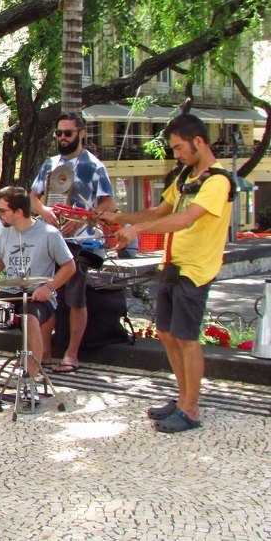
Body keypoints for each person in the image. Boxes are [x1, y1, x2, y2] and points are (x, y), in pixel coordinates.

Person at [100, 113, 232, 434]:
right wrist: (121, 219)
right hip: (171, 266)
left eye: (178, 147)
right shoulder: (187, 176)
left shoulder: (217, 181)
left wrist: (138, 230)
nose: (176, 154)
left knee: (186, 339)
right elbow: (160, 211)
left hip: (195, 270)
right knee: (167, 334)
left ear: (198, 141)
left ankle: (191, 409)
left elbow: (186, 219)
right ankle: (183, 397)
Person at [0, 186, 76, 395]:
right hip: (11, 292)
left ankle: (29, 381)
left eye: (2, 210)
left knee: (30, 320)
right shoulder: (5, 233)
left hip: (39, 294)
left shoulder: (49, 234)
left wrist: (49, 287)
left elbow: (70, 266)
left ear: (19, 212)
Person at [30, 112, 116, 373]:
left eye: (68, 133)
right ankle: (45, 351)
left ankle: (71, 354)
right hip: (50, 237)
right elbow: (32, 197)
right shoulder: (50, 163)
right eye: (59, 133)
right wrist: (43, 210)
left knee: (75, 297)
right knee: (45, 292)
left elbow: (108, 204)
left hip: (80, 241)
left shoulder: (94, 165)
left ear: (81, 133)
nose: (63, 138)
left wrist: (86, 219)